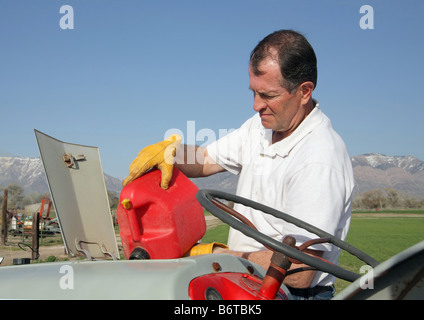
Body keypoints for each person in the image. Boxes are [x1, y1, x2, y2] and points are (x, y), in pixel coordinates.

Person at [124, 30, 354, 300]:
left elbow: (302, 270)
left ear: (304, 92)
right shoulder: (261, 127)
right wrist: (169, 152)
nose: (256, 105)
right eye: (254, 92)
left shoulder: (319, 158)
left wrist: (213, 256)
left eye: (268, 95)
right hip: (247, 282)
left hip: (291, 294)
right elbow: (207, 160)